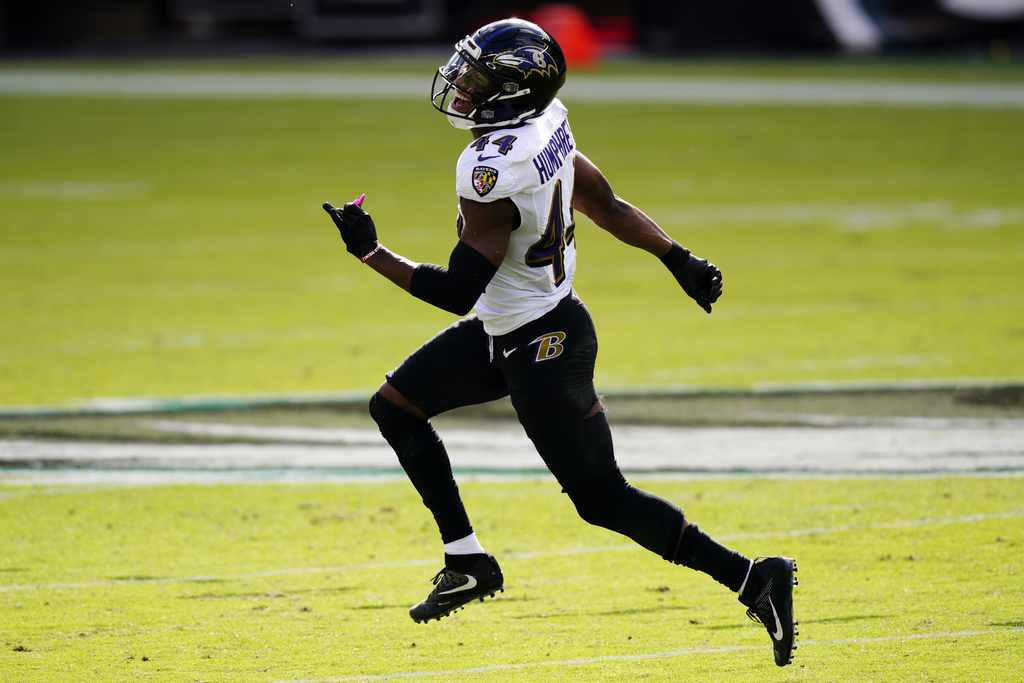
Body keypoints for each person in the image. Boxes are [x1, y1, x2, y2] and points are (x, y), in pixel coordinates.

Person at [323, 18, 798, 667]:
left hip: (545, 340)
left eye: (477, 79)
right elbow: (604, 202)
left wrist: (370, 251)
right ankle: (467, 560)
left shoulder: (490, 166)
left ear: (512, 92)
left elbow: (458, 288)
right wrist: (677, 257)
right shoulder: (546, 122)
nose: (462, 86)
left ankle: (753, 577)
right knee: (395, 406)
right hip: (511, 325)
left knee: (602, 498)